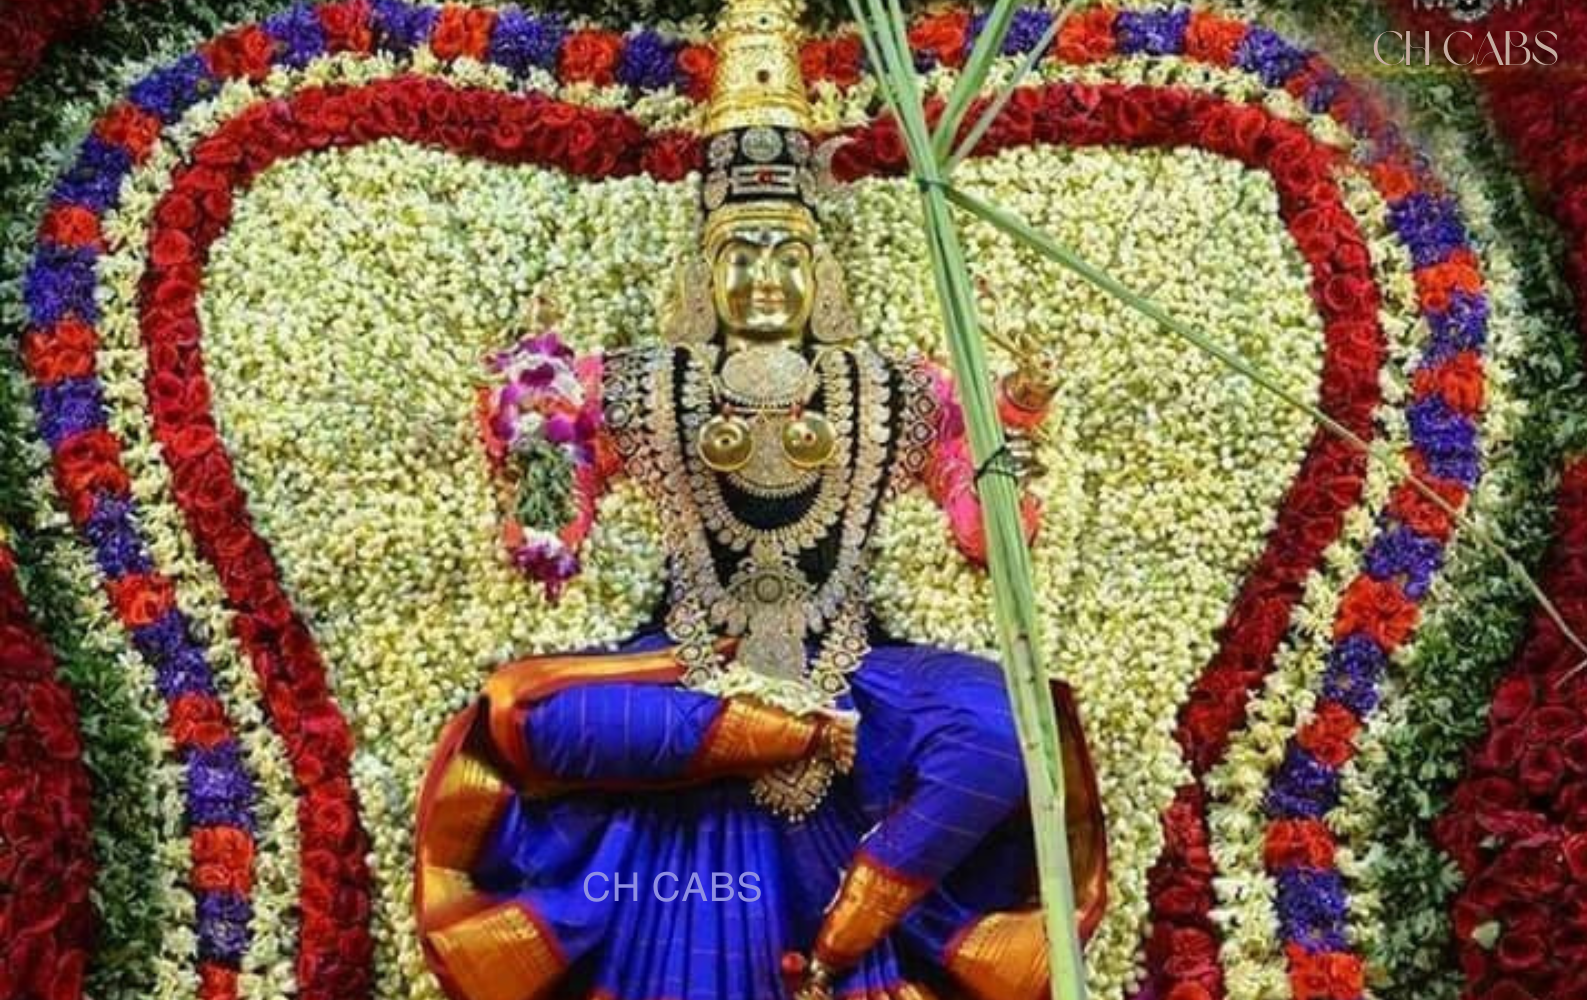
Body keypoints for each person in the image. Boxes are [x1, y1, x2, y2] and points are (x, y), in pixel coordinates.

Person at [413, 3, 1105, 998]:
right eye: (742, 255)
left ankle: (854, 922)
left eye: (788, 256)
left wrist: (1017, 431)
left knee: (1008, 725)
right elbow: (553, 514)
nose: (766, 280)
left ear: (820, 270)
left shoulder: (885, 386)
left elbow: (979, 520)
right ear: (706, 269)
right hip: (689, 682)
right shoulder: (648, 382)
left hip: (852, 680)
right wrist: (534, 425)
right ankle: (760, 745)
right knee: (529, 712)